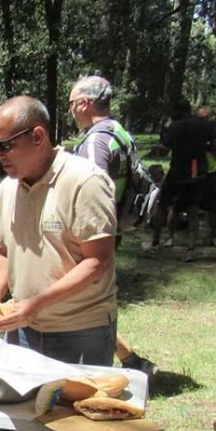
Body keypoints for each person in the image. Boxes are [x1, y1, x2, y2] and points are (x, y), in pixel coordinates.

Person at [0, 96, 117, 431]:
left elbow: (98, 260)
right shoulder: (5, 190)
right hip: (22, 325)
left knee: (88, 419)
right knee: (2, 409)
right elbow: (4, 251)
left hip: (82, 327)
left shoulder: (85, 180)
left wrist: (35, 303)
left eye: (4, 146)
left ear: (38, 136)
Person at [69, 76, 158, 378]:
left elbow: (91, 186)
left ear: (84, 103)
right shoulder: (119, 131)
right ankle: (132, 360)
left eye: (71, 104)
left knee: (86, 302)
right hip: (110, 231)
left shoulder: (96, 140)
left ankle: (114, 365)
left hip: (92, 235)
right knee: (94, 300)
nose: (71, 111)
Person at [148, 100, 216, 262]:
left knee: (161, 206)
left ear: (177, 111)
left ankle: (155, 243)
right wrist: (205, 147)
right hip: (198, 174)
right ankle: (190, 250)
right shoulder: (206, 125)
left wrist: (157, 147)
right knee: (193, 211)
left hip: (177, 172)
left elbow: (164, 151)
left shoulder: (174, 126)